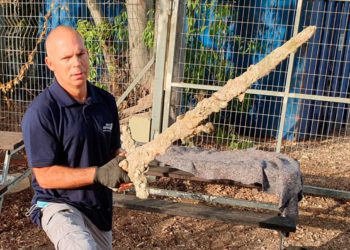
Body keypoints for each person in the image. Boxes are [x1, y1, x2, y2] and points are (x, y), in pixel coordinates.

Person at [21, 25, 130, 250]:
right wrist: (98, 174)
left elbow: (112, 152)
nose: (76, 63)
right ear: (50, 64)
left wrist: (125, 165)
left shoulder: (106, 102)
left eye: (80, 54)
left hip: (98, 209)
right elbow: (46, 177)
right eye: (66, 58)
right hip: (57, 204)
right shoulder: (41, 113)